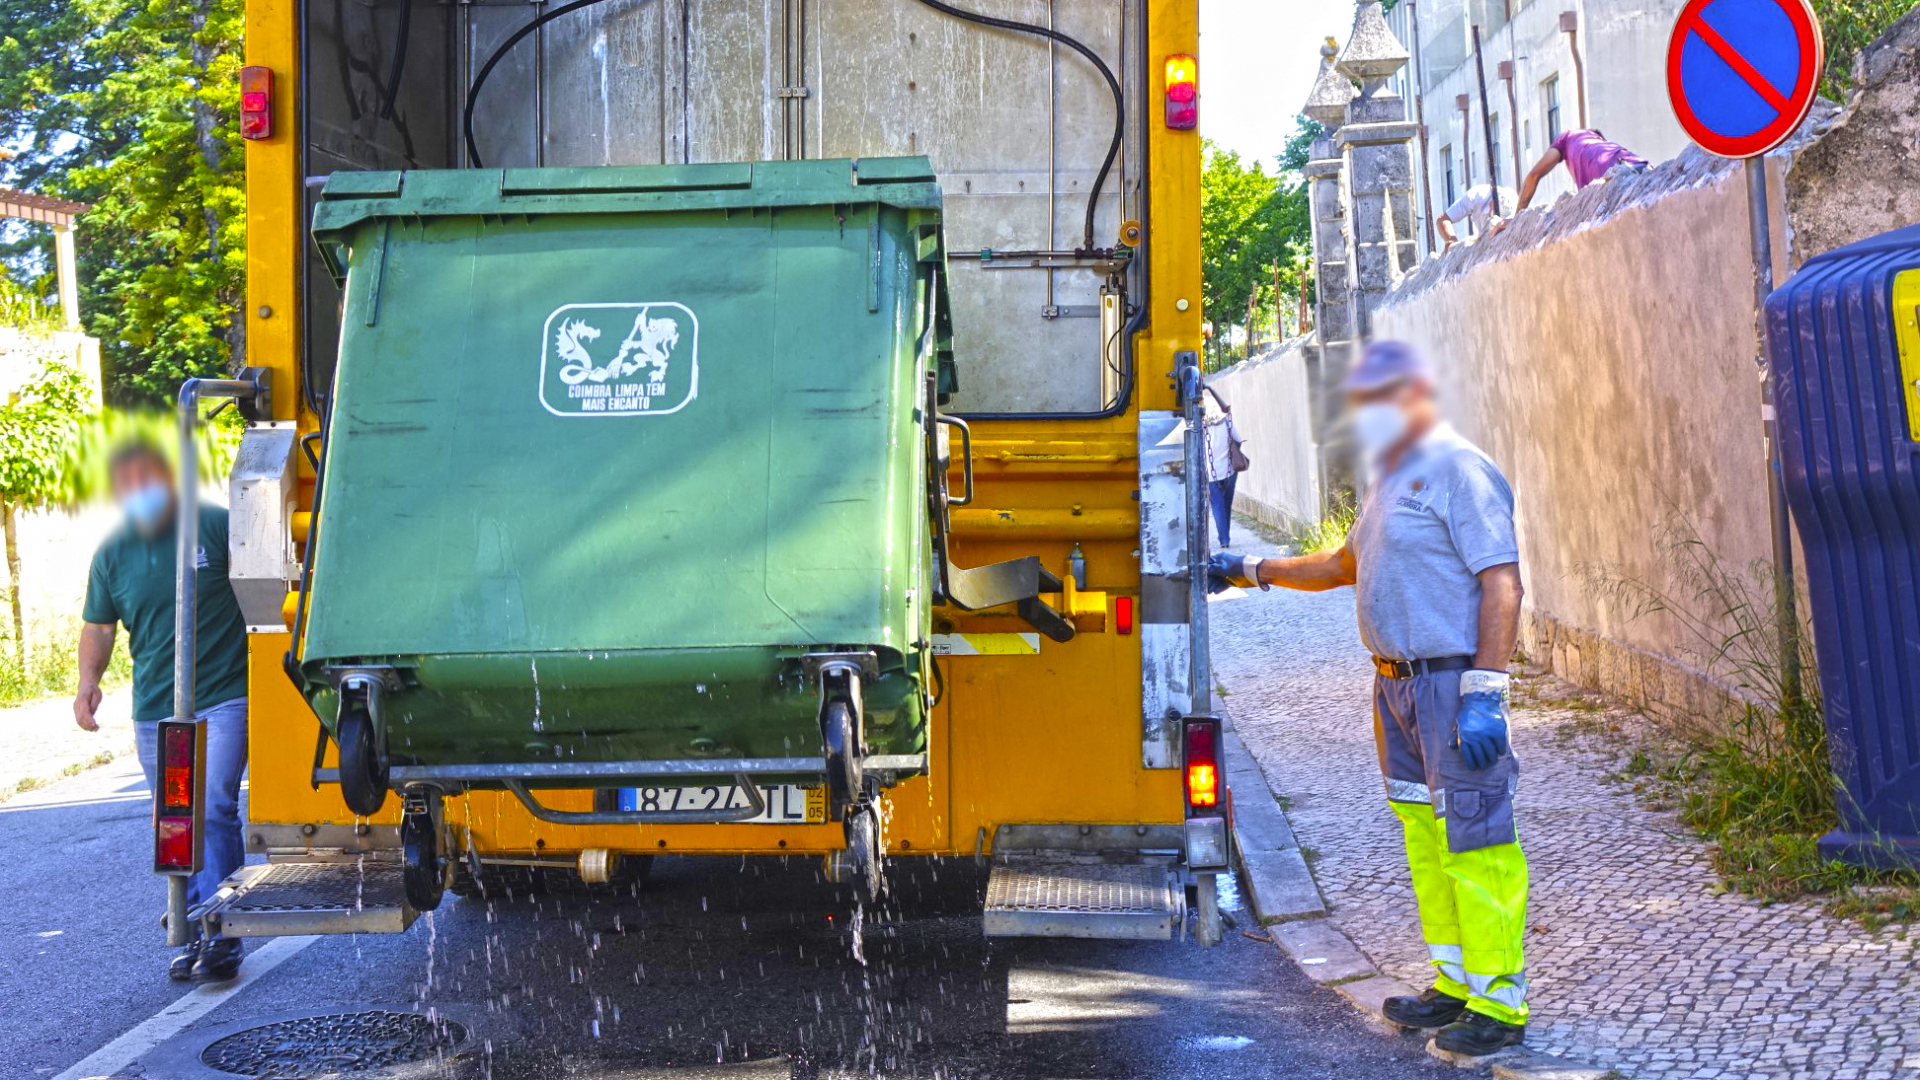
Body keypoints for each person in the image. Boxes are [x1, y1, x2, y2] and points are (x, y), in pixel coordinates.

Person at [1209, 341, 1530, 1056]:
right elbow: (1342, 564)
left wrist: (1485, 690)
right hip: (1395, 687)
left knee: (1477, 838)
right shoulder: (1393, 477)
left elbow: (1502, 582)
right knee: (1428, 839)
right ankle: (1455, 985)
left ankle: (1501, 1001)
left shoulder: (1459, 471)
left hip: (1451, 685)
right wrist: (1250, 568)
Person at [74, 440, 250, 983]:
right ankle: (191, 925)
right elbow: (99, 628)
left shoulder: (218, 527)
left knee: (214, 806)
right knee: (177, 817)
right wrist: (88, 683)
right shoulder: (113, 553)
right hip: (157, 706)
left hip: (225, 694)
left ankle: (225, 929)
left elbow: (265, 594)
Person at [1515, 128, 1649, 211]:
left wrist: (1515, 222)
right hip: (1642, 166)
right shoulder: (1604, 147)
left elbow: (1534, 175)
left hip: (1617, 176)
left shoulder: (1567, 137)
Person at [1202, 386, 1247, 547]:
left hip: (1211, 475)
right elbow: (1239, 441)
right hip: (1229, 472)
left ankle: (1224, 539)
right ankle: (1225, 537)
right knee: (1227, 505)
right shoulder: (1226, 423)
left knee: (1218, 506)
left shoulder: (1200, 428)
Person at [1436, 183, 1518, 247]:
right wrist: (1452, 242)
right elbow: (1442, 220)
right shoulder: (1475, 197)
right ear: (1490, 206)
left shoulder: (1515, 203)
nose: (1499, 230)